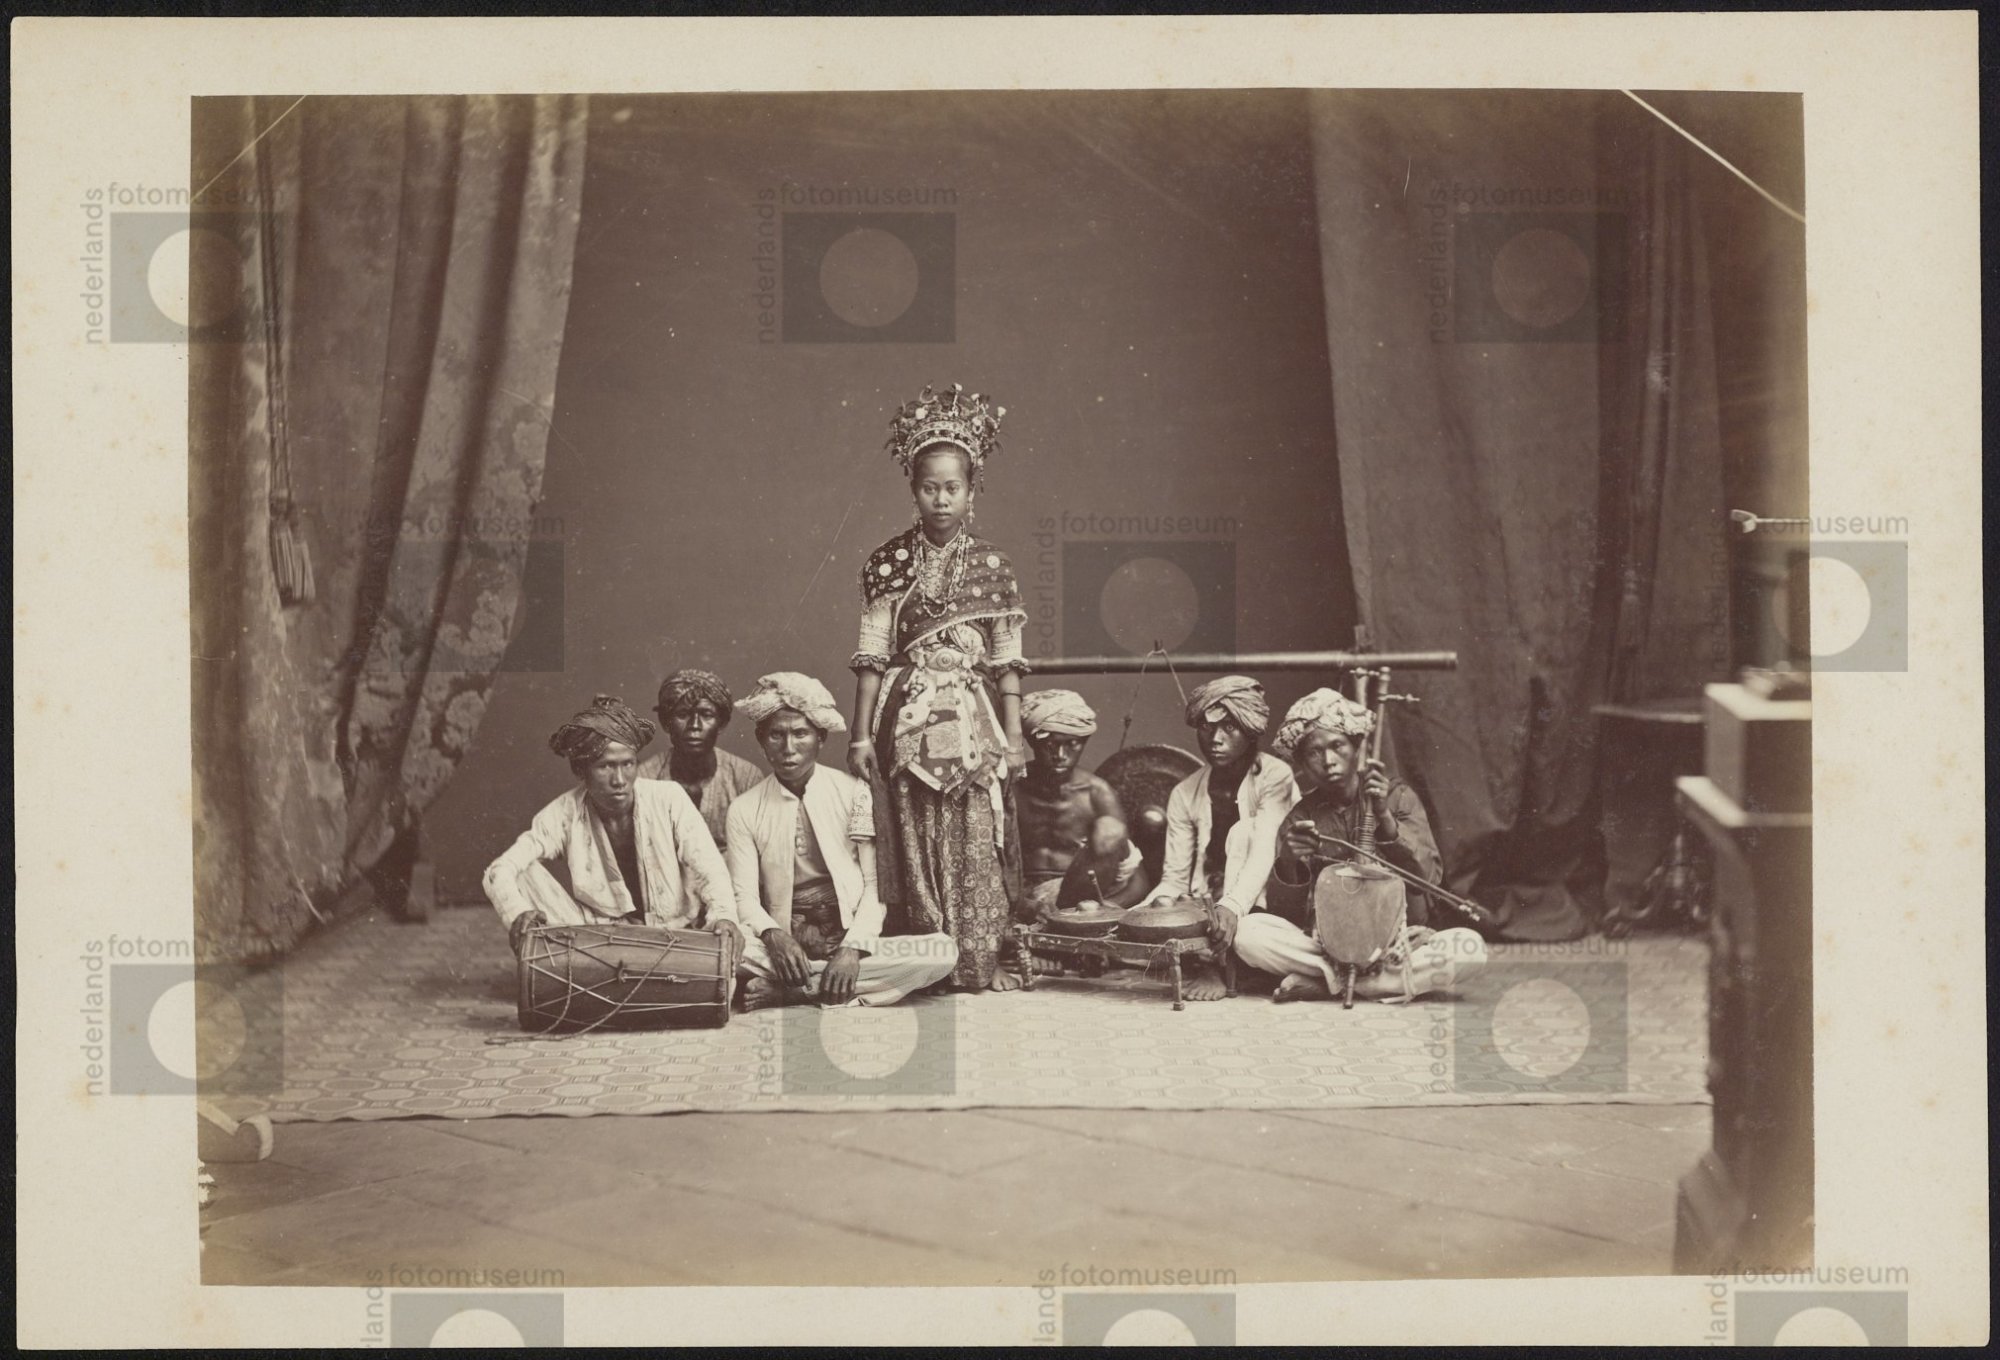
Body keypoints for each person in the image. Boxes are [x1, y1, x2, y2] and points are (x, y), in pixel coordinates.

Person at [847, 383, 1030, 992]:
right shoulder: (888, 563)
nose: (941, 499)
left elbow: (1006, 661)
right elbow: (872, 655)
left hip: (974, 723)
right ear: (913, 490)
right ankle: (931, 961)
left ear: (971, 491)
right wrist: (860, 735)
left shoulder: (993, 565)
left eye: (953, 488)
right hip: (907, 720)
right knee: (915, 833)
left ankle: (981, 957)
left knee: (978, 833)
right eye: (930, 487)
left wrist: (1014, 738)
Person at [1238, 688, 1487, 1002]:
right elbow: (1286, 916)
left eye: (1337, 746)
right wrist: (1288, 861)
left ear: (1357, 746)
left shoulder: (1396, 796)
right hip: (1327, 947)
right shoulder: (1301, 817)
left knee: (1471, 949)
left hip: (1399, 946)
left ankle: (1329, 985)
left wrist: (1384, 817)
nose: (1328, 761)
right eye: (1314, 753)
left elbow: (1429, 878)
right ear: (1302, 762)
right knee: (1247, 934)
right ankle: (1369, 983)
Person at [725, 673, 958, 1008]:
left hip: (847, 934)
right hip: (786, 943)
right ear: (762, 739)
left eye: (800, 733)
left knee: (942, 951)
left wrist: (852, 948)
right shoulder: (744, 809)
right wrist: (774, 936)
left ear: (820, 738)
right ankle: (828, 982)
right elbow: (744, 896)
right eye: (776, 735)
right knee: (728, 950)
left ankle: (801, 989)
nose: (788, 748)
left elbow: (875, 884)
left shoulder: (854, 793)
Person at [482, 695, 738, 957]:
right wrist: (517, 913)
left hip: (678, 933)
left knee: (747, 952)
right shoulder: (564, 812)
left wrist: (723, 917)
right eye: (605, 766)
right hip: (600, 940)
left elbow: (709, 867)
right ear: (581, 771)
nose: (620, 780)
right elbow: (498, 870)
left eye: (628, 764)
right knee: (520, 872)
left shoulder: (668, 798)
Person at [1137, 676, 1299, 1002]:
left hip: (1266, 897)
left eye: (1229, 727)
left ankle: (1219, 966)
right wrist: (1142, 915)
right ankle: (1221, 963)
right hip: (1208, 901)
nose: (1215, 739)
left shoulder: (1275, 776)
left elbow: (1264, 848)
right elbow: (1175, 878)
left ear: (1250, 730)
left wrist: (1232, 906)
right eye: (1207, 728)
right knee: (1143, 927)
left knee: (1244, 832)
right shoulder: (1185, 792)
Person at [1016, 689, 1148, 911]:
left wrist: (1105, 910)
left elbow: (1138, 878)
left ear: (1084, 741)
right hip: (1021, 896)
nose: (1060, 755)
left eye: (1072, 743)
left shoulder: (1097, 793)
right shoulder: (1012, 788)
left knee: (1110, 830)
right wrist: (1021, 906)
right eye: (1050, 745)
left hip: (1080, 897)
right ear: (1032, 742)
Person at [635, 668, 763, 851]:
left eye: (706, 715)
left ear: (721, 723)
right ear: (666, 722)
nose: (694, 725)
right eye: (683, 714)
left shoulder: (746, 778)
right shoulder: (645, 778)